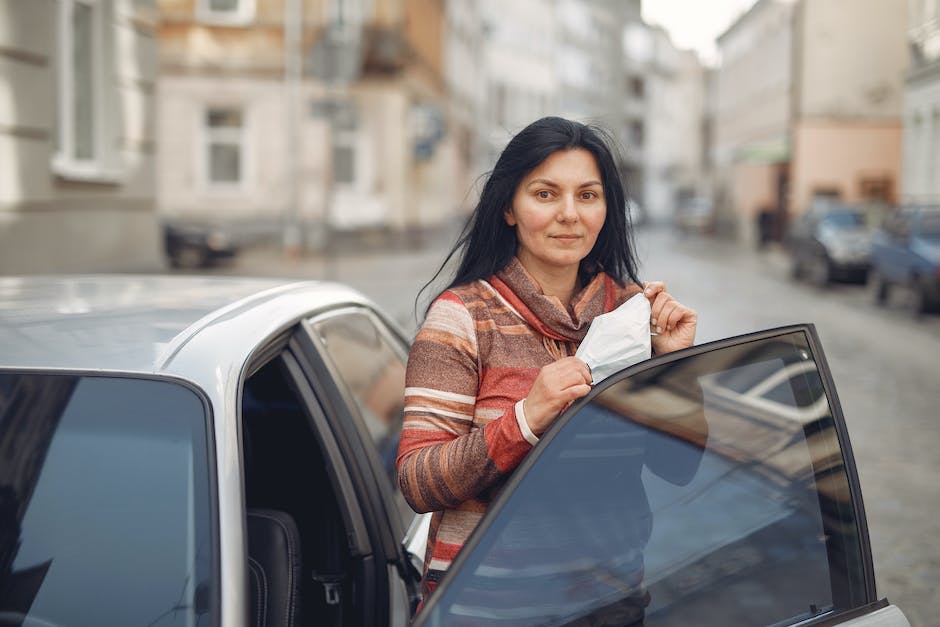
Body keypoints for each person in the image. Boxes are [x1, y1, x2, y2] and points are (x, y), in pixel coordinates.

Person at [396, 116, 698, 602]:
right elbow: (418, 481)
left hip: (610, 601)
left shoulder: (631, 314)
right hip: (486, 607)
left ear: (607, 209)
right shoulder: (463, 319)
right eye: (544, 194)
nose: (569, 214)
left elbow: (679, 467)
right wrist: (524, 419)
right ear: (509, 208)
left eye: (587, 195)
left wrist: (674, 368)